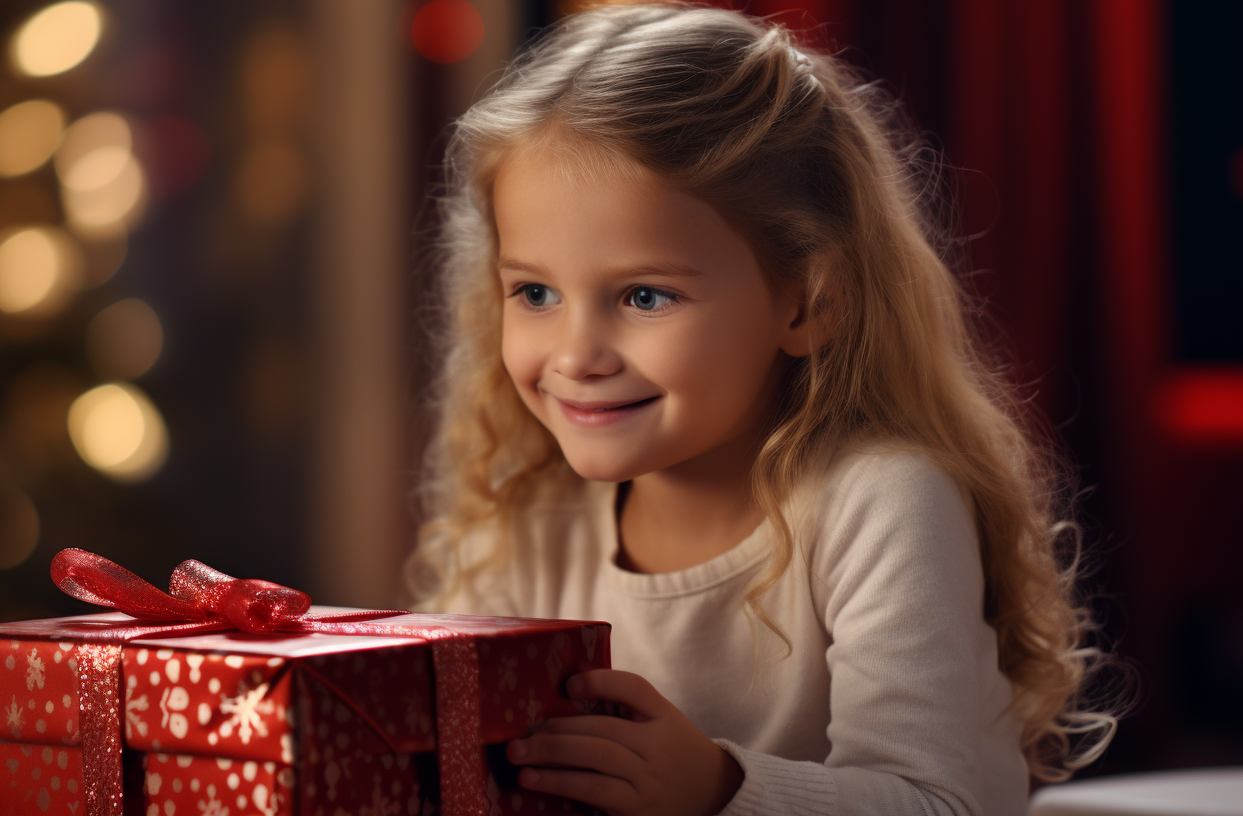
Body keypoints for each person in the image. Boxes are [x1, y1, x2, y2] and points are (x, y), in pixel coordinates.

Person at [406, 3, 1117, 814]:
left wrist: (715, 789)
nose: (574, 357)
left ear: (809, 301)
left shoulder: (882, 501)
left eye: (644, 295)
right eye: (534, 291)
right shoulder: (530, 513)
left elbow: (935, 802)